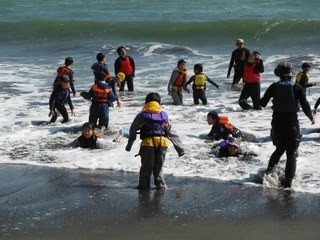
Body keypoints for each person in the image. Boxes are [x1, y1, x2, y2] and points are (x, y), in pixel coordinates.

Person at [260, 61, 315, 188]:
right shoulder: (297, 87)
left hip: (277, 122)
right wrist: (311, 117)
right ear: (291, 74)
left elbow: (262, 103)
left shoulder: (274, 86)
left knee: (280, 148)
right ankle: (289, 182)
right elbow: (305, 105)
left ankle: (268, 173)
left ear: (278, 74)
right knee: (291, 153)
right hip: (291, 122)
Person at [125, 92, 185, 190]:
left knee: (146, 168)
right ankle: (161, 186)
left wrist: (129, 145)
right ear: (159, 103)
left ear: (146, 102)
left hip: (148, 144)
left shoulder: (142, 115)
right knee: (159, 167)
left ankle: (144, 187)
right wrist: (180, 149)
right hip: (162, 144)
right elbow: (171, 132)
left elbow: (133, 130)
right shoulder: (163, 116)